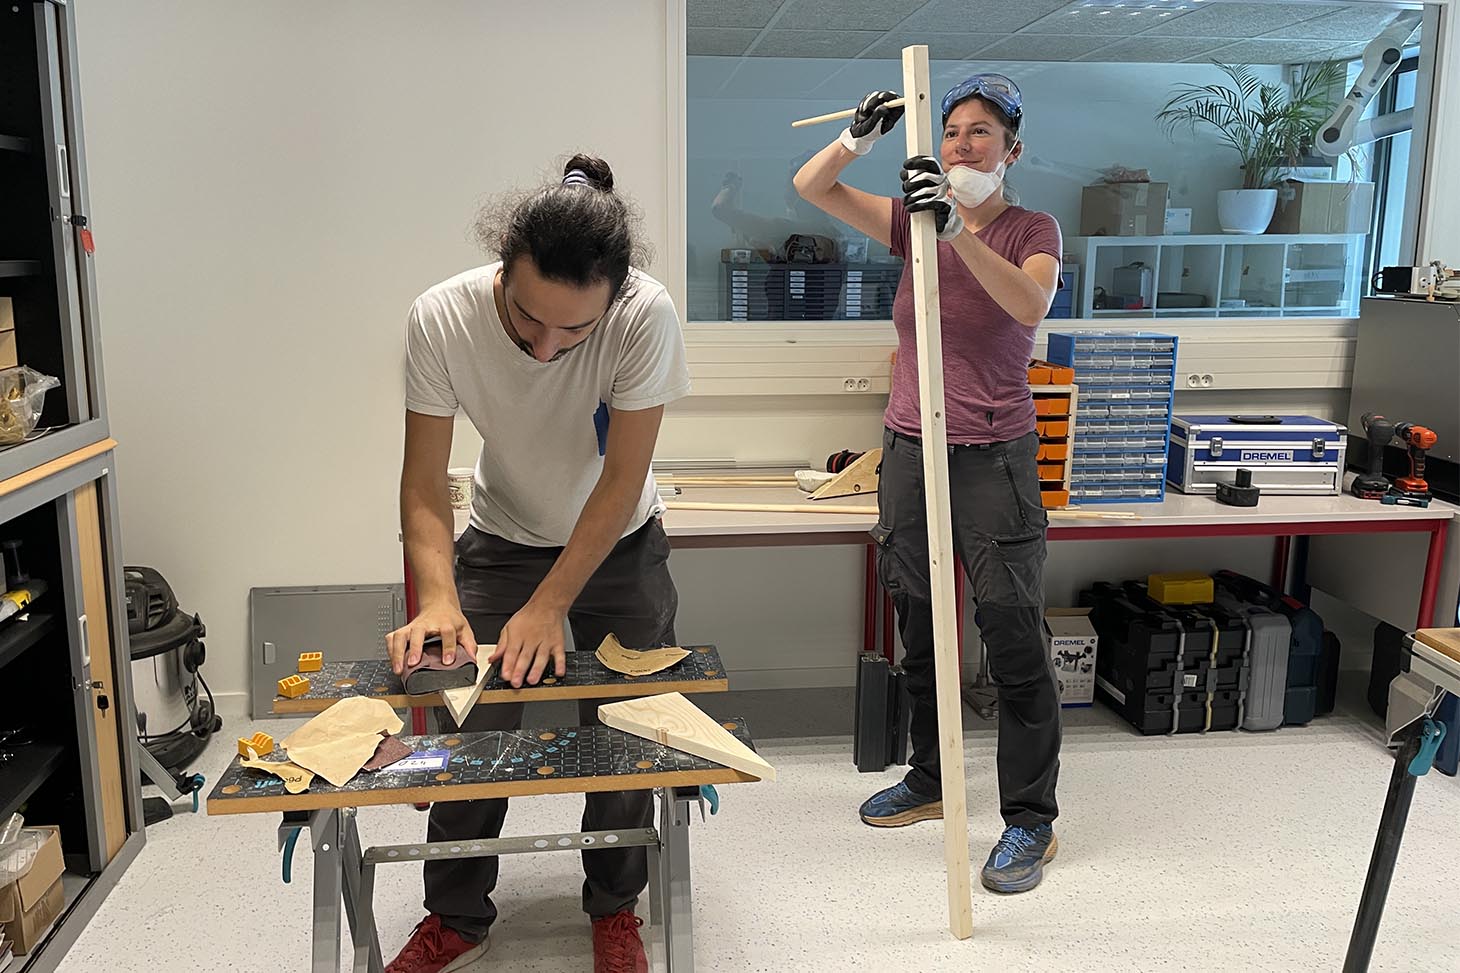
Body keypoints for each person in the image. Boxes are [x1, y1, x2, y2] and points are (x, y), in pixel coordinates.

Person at [384, 154, 690, 973]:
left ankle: (615, 907)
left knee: (619, 731)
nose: (549, 347)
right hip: (504, 535)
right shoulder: (441, 317)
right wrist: (439, 594)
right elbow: (422, 481)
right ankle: (455, 915)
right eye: (528, 320)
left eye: (575, 330)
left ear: (614, 299)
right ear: (503, 266)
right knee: (469, 729)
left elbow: (622, 477)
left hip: (620, 546)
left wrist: (554, 601)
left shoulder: (645, 315)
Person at [794, 75, 1064, 894]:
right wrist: (857, 134)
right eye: (951, 131)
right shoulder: (912, 220)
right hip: (911, 447)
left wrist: (960, 231)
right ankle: (932, 777)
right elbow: (813, 187)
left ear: (1011, 150)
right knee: (919, 616)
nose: (961, 144)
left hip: (993, 453)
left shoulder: (1029, 228)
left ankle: (1030, 819)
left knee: (1011, 631)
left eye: (981, 133)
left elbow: (1030, 303)